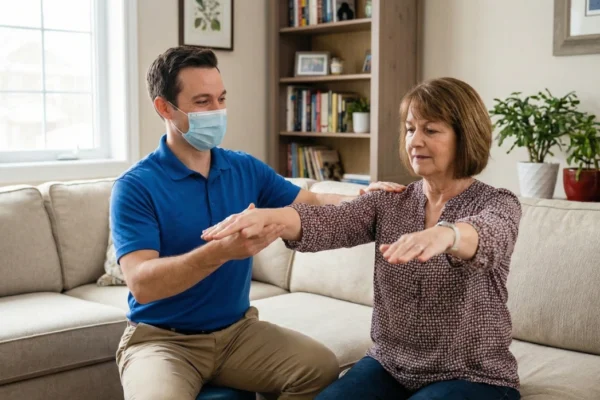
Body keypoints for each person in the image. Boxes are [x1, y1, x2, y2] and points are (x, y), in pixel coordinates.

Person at [110, 45, 402, 400]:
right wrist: (220, 252)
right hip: (162, 341)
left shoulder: (243, 168)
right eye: (202, 102)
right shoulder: (135, 186)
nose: (217, 111)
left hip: (237, 334)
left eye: (221, 98)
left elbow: (312, 201)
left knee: (319, 368)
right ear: (164, 108)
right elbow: (142, 284)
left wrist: (364, 197)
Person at [202, 77, 523, 400]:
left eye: (431, 130)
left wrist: (446, 235)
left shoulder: (498, 203)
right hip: (391, 365)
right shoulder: (390, 201)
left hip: (474, 375)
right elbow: (331, 221)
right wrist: (272, 217)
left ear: (464, 137)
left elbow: (488, 235)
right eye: (410, 129)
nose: (415, 141)